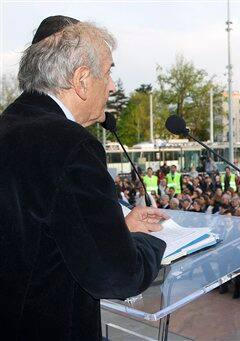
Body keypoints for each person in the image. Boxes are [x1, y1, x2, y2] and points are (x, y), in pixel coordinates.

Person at [0, 16, 167, 339]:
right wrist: (153, 243)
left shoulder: (10, 125)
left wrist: (117, 230)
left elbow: (38, 233)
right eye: (108, 72)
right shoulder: (70, 144)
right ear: (81, 80)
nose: (113, 85)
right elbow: (117, 277)